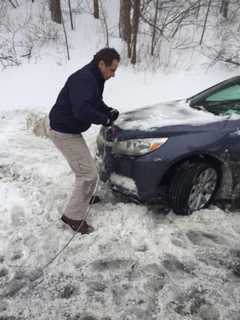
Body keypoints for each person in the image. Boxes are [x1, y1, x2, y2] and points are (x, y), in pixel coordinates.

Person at [48, 48, 120, 234]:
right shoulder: (84, 78)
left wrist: (108, 110)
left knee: (86, 170)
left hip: (69, 129)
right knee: (88, 174)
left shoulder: (96, 78)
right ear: (101, 64)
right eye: (112, 70)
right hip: (63, 132)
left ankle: (84, 197)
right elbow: (82, 110)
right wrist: (104, 119)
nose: (113, 75)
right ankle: (73, 216)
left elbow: (94, 102)